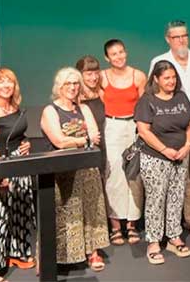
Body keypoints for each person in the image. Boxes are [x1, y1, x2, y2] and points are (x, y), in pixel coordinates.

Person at [149, 20, 190, 239]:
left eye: (184, 36)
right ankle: (168, 224)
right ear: (168, 39)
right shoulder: (160, 61)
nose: (181, 40)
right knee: (168, 178)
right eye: (176, 37)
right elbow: (151, 94)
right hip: (169, 132)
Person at [40, 67, 109, 272]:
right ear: (59, 87)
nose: (72, 87)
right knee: (66, 211)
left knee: (91, 210)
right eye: (68, 84)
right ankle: (62, 255)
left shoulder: (84, 108)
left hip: (87, 169)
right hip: (63, 170)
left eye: (76, 83)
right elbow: (59, 142)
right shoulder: (50, 111)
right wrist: (82, 139)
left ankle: (92, 252)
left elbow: (95, 137)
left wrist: (79, 140)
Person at [134, 60, 190, 265]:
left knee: (176, 196)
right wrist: (164, 150)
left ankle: (173, 236)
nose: (171, 81)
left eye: (173, 77)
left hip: (180, 156)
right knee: (156, 199)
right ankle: (153, 241)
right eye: (166, 78)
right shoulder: (147, 100)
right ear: (156, 79)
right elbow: (143, 131)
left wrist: (187, 145)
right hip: (155, 158)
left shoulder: (181, 97)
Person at [0, 69, 35, 282]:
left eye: (10, 81)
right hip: (1, 166)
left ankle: (16, 253)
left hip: (19, 162)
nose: (6, 86)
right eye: (1, 82)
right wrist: (1, 174)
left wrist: (25, 143)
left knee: (21, 208)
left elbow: (17, 135)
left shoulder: (14, 107)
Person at [100, 39, 147, 246]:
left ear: (126, 52)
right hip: (112, 127)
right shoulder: (102, 77)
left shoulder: (138, 76)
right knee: (114, 175)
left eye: (121, 52)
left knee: (134, 174)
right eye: (113, 54)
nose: (118, 57)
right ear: (107, 58)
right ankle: (116, 225)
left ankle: (132, 224)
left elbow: (144, 105)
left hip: (133, 126)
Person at [76, 56, 107, 175]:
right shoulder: (76, 98)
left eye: (96, 73)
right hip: (85, 148)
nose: (94, 78)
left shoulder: (101, 93)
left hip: (104, 145)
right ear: (80, 75)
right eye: (89, 74)